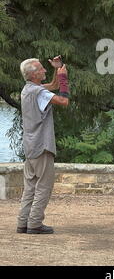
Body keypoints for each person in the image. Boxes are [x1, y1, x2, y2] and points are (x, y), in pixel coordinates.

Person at [17, 56, 70, 234]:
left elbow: (52, 86)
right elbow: (64, 101)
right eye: (41, 69)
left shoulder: (28, 89)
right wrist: (64, 78)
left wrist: (58, 68)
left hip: (30, 145)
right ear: (33, 75)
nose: (45, 71)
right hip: (42, 145)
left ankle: (23, 223)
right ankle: (35, 224)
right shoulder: (39, 92)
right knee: (43, 186)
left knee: (30, 187)